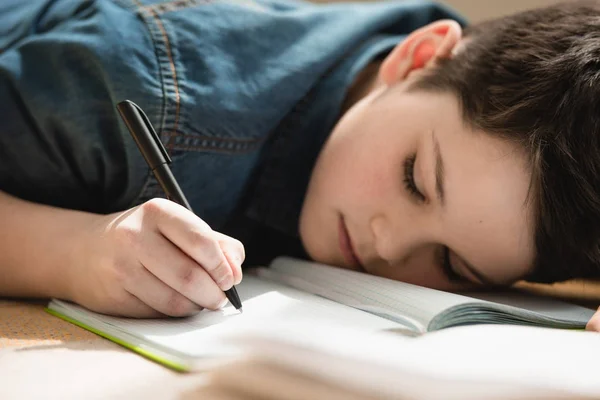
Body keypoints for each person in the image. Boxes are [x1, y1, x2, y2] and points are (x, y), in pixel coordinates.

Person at [1, 0, 599, 328]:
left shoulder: (443, 119)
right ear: (418, 57)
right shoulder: (154, 91)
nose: (387, 248)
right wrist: (75, 252)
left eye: (451, 263)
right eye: (414, 180)